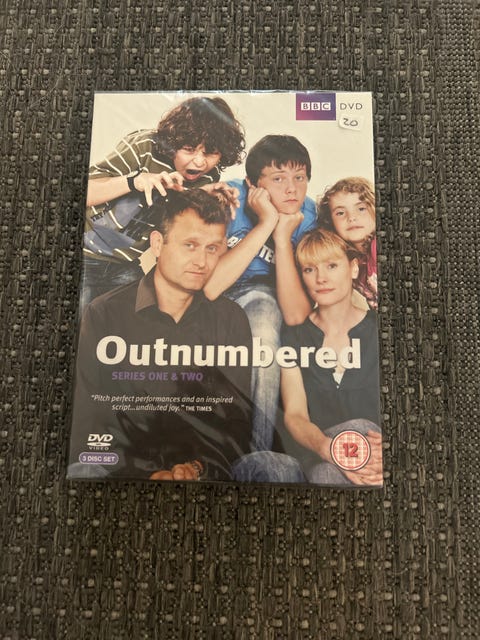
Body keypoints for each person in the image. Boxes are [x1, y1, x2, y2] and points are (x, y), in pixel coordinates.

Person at [69, 189, 253, 481]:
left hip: (203, 474)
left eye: (212, 248)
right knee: (84, 471)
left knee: (275, 466)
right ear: (157, 243)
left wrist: (198, 467)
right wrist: (145, 474)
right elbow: (88, 419)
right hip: (121, 472)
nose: (202, 261)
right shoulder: (104, 314)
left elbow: (237, 423)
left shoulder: (231, 318)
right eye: (190, 245)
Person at [203, 135, 317, 452]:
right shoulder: (228, 198)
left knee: (264, 325)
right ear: (252, 184)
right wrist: (266, 223)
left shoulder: (308, 217)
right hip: (218, 287)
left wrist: (281, 237)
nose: (292, 189)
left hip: (265, 291)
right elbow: (209, 289)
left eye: (300, 177)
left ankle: (259, 453)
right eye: (278, 179)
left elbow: (297, 314)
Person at [81, 96, 245, 308]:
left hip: (125, 263)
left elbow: (175, 223)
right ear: (173, 143)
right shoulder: (144, 147)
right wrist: (135, 181)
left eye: (211, 153)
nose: (199, 162)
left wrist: (202, 196)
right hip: (86, 254)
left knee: (142, 315)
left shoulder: (207, 177)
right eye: (189, 149)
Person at [279, 229, 382, 486]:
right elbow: (294, 415)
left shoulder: (380, 329)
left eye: (332, 266)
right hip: (318, 451)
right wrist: (328, 448)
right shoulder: (294, 336)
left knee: (337, 461)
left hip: (375, 457)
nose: (321, 278)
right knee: (321, 470)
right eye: (309, 269)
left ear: (354, 268)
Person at [317, 177, 377, 310]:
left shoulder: (376, 246)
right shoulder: (347, 258)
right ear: (330, 221)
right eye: (340, 213)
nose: (351, 218)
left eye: (361, 209)